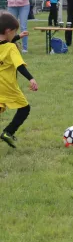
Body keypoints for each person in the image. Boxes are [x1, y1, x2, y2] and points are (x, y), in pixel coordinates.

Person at [0, 13, 38, 148]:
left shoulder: (7, 42)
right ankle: (8, 132)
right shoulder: (11, 48)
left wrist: (18, 36)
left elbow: (4, 40)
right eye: (14, 32)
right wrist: (31, 78)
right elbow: (19, 66)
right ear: (8, 31)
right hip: (7, 87)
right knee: (24, 108)